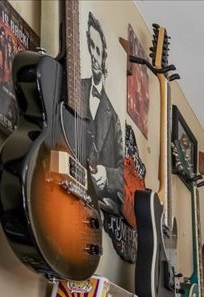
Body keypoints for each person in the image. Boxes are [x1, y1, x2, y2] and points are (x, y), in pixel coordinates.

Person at [81, 13, 124, 214]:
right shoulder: (76, 87)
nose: (95, 57)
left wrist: (106, 176)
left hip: (99, 206)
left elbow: (125, 173)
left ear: (105, 57)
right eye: (92, 48)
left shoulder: (114, 118)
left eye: (99, 52)